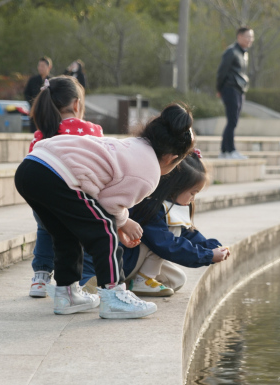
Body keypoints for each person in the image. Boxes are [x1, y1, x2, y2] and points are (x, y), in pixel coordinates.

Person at [14, 103, 195, 319]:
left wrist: (117, 221)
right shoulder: (149, 172)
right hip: (55, 173)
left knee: (65, 233)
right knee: (105, 232)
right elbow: (108, 206)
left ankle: (67, 294)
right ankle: (114, 296)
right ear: (171, 158)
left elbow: (101, 202)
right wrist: (123, 223)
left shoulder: (134, 144)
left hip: (31, 167)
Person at [26, 76, 102, 298]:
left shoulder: (42, 134)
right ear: (77, 104)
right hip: (78, 198)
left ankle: (40, 277)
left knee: (45, 230)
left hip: (43, 198)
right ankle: (86, 280)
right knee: (87, 235)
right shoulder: (92, 131)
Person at [124, 152, 231, 297]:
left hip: (134, 261)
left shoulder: (168, 205)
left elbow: (187, 233)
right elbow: (167, 245)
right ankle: (142, 280)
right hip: (125, 260)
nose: (193, 199)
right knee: (172, 230)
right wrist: (208, 256)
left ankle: (130, 282)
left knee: (176, 280)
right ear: (175, 187)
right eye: (192, 193)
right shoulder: (150, 207)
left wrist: (211, 247)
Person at [216, 27, 254, 159]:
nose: (250, 40)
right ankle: (230, 150)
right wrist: (219, 89)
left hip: (239, 89)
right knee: (232, 120)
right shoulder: (231, 52)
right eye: (247, 36)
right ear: (239, 36)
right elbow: (222, 72)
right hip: (230, 88)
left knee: (234, 121)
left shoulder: (244, 53)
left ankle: (225, 150)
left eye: (251, 37)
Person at [24, 57, 53, 133]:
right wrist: (33, 103)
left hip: (47, 112)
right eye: (39, 66)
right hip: (35, 110)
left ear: (49, 67)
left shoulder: (52, 80)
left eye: (43, 66)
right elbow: (26, 93)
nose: (40, 68)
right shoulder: (33, 80)